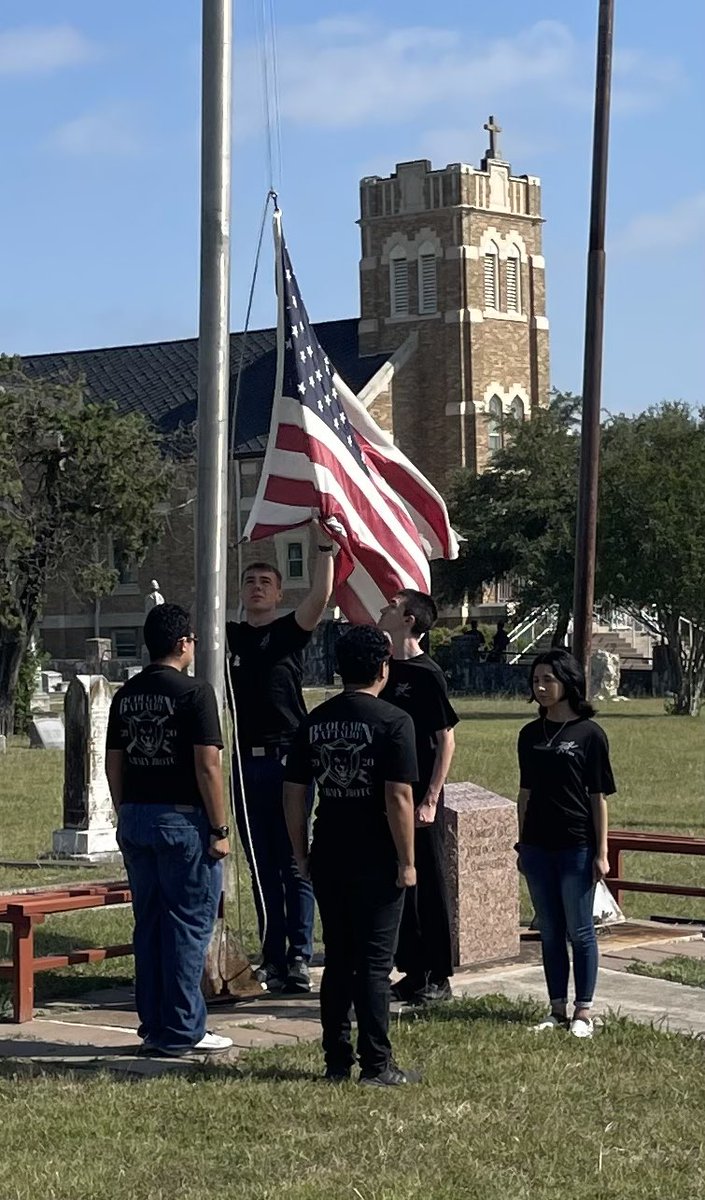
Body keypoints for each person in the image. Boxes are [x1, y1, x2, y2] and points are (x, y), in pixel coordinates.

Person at [283, 625, 421, 1086]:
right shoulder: (394, 721)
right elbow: (399, 796)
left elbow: (295, 792)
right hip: (378, 855)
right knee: (376, 964)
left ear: (340, 668)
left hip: (329, 848)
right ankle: (377, 1064)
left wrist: (300, 851)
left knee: (340, 958)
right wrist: (407, 861)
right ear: (383, 668)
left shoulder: (314, 721)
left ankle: (336, 1061)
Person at [105, 603, 233, 1057]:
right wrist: (219, 827)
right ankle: (182, 1029)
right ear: (183, 643)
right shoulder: (195, 693)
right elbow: (208, 764)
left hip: (138, 814)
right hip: (183, 820)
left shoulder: (126, 694)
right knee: (187, 926)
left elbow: (113, 762)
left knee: (151, 925)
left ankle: (154, 1022)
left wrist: (126, 812)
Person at [226, 524, 335, 993]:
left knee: (295, 859)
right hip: (243, 763)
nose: (256, 588)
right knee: (260, 864)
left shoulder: (287, 633)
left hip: (288, 759)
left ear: (277, 592)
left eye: (265, 582)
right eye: (250, 581)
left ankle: (298, 956)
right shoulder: (226, 638)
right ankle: (271, 955)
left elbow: (321, 595)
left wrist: (324, 544)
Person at [516, 648, 616, 1039]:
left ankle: (583, 1011)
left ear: (568, 683)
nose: (541, 687)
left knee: (580, 930)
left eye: (548, 680)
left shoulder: (590, 735)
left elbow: (598, 797)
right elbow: (524, 794)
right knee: (550, 930)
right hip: (537, 845)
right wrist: (522, 844)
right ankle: (556, 1007)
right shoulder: (529, 734)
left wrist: (602, 853)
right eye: (536, 680)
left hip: (576, 845)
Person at [378, 590, 458, 1005]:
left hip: (420, 797)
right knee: (398, 882)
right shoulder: (383, 669)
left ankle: (437, 974)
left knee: (427, 882)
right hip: (388, 796)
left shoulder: (427, 674)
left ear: (408, 620)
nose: (383, 609)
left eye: (391, 605)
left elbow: (446, 740)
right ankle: (410, 968)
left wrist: (431, 797)